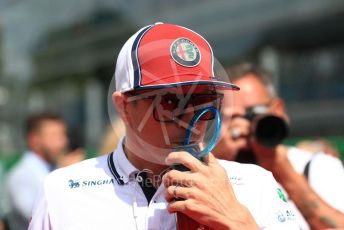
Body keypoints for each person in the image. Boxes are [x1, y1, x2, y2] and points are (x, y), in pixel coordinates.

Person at [29, 23, 299, 229]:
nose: (191, 118)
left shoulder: (254, 183)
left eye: (203, 99)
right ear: (124, 106)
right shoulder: (64, 191)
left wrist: (237, 221)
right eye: (170, 102)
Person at [213, 62, 344, 229]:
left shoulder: (316, 166)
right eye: (231, 117)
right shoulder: (212, 173)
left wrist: (283, 170)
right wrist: (218, 158)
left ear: (277, 110)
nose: (244, 125)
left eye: (254, 113)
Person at [4, 113, 68, 230]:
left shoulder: (56, 168)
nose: (63, 142)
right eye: (54, 135)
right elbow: (38, 216)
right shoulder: (21, 175)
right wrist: (68, 178)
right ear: (34, 139)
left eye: (63, 135)